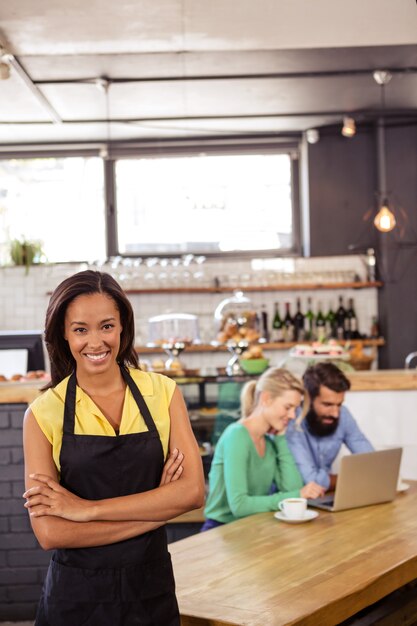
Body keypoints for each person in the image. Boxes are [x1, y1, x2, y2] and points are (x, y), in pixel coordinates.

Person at [22, 270, 205, 626]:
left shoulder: (163, 393)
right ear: (63, 333)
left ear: (123, 327)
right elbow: (51, 532)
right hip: (76, 600)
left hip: (150, 592)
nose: (95, 341)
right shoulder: (43, 414)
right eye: (80, 329)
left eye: (107, 326)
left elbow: (193, 493)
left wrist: (86, 510)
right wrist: (159, 509)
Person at [201, 368, 324, 531]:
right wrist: (297, 495)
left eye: (295, 409)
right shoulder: (236, 435)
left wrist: (280, 439)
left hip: (253, 527)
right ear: (266, 398)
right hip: (221, 530)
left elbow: (291, 489)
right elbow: (239, 506)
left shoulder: (269, 442)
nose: (293, 415)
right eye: (288, 407)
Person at [286, 361, 373, 491]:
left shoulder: (343, 414)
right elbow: (311, 482)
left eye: (339, 404)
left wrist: (375, 472)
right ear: (308, 397)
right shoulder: (292, 420)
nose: (335, 413)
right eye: (327, 405)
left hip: (324, 496)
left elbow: (370, 460)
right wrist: (353, 477)